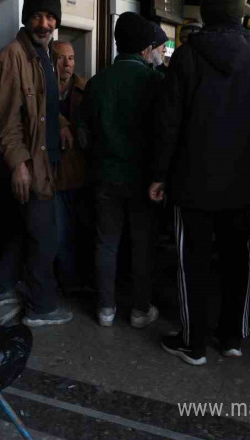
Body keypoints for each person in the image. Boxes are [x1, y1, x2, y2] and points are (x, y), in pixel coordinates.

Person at [149, 0, 250, 365]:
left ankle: (193, 342)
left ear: (206, 14)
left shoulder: (188, 56)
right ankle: (232, 336)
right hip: (243, 181)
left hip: (192, 181)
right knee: (239, 259)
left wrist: (160, 174)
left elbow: (168, 122)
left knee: (193, 260)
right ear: (241, 16)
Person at [0, 0, 75, 327]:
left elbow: (43, 108)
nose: (45, 23)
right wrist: (19, 164)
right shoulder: (13, 56)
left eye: (51, 17)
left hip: (44, 162)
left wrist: (62, 123)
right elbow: (5, 119)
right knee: (44, 236)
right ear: (27, 19)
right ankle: (41, 307)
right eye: (38, 15)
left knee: (26, 231)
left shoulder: (45, 57)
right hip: (29, 164)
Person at [80, 12, 166, 328]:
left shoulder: (97, 83)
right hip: (143, 180)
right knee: (142, 244)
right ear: (145, 48)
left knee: (106, 242)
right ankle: (140, 309)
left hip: (105, 177)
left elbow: (84, 134)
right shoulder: (155, 82)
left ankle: (105, 308)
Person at [52, 40, 92, 295]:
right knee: (60, 232)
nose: (68, 64)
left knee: (82, 229)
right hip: (53, 174)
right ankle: (69, 283)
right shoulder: (42, 90)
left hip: (80, 172)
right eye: (61, 58)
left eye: (72, 58)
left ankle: (83, 280)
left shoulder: (85, 89)